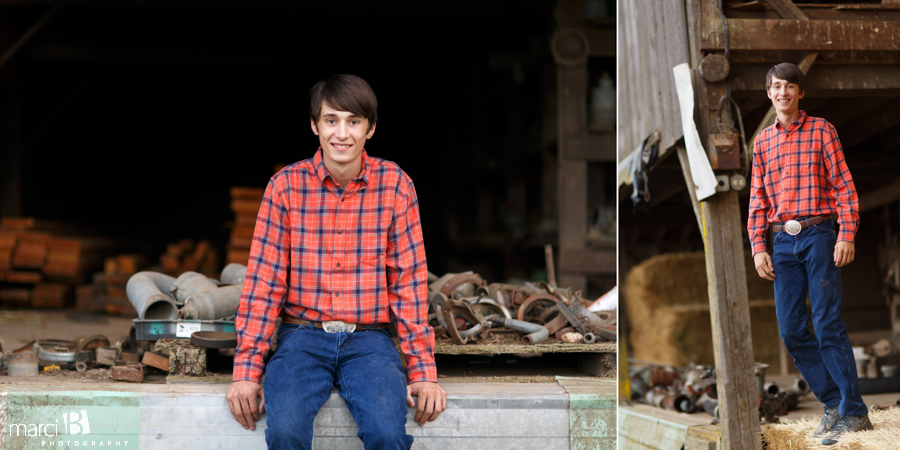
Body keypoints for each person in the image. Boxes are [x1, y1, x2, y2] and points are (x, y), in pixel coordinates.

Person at [226, 74, 447, 449]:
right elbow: (265, 284)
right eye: (331, 120)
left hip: (369, 340)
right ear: (314, 125)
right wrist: (246, 372)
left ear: (370, 128)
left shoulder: (395, 184)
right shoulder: (285, 186)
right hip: (301, 335)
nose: (341, 133)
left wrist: (423, 372)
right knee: (284, 432)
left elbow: (408, 283)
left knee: (388, 433)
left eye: (353, 121)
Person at [748, 62, 870, 445]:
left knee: (827, 322)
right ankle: (834, 404)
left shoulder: (822, 130)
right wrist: (757, 247)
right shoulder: (763, 142)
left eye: (790, 87)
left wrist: (845, 234)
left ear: (801, 93)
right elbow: (757, 199)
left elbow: (844, 186)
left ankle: (855, 413)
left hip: (819, 233)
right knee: (790, 328)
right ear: (769, 93)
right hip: (782, 240)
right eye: (776, 87)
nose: (783, 93)